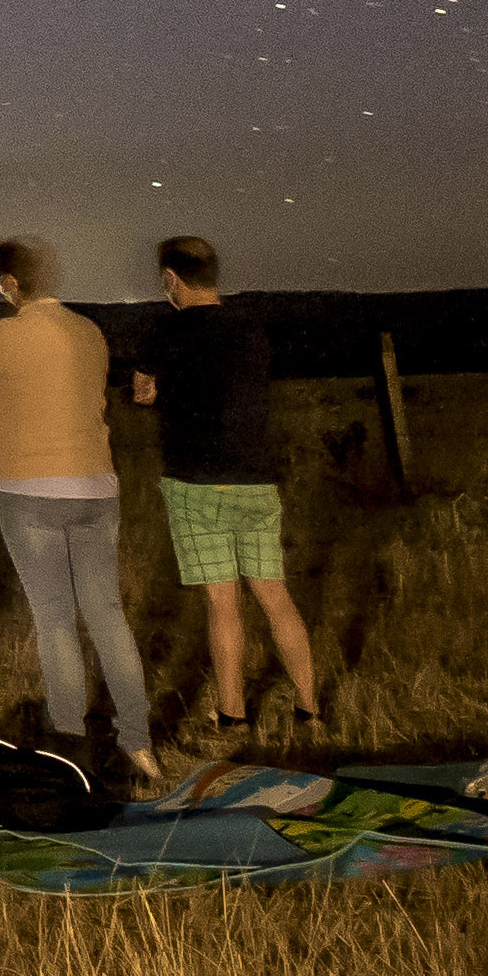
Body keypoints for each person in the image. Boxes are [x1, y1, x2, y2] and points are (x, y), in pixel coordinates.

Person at [0, 237, 156, 764]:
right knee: (108, 613)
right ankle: (138, 741)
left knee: (54, 619)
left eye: (1, 282)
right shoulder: (89, 331)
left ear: (11, 283)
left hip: (29, 490)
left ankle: (68, 746)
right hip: (96, 487)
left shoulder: (3, 333)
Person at [135, 235, 328, 737]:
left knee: (223, 603)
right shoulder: (250, 328)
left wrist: (159, 388)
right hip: (253, 480)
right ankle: (310, 708)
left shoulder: (163, 331)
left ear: (171, 278)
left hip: (194, 482)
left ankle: (232, 714)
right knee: (274, 596)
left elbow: (143, 391)